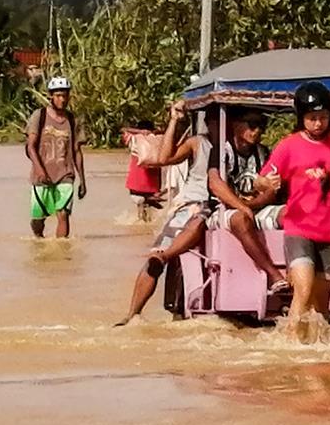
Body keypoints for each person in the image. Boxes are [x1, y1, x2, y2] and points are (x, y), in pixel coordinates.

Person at [257, 81, 330, 334]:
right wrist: (266, 182)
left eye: (323, 117)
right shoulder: (288, 146)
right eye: (312, 118)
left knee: (322, 307)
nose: (318, 123)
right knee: (304, 289)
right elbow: (261, 179)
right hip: (299, 229)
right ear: (302, 118)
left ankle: (316, 353)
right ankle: (292, 348)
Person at [115, 100, 213, 326]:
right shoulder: (197, 143)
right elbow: (163, 159)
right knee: (155, 258)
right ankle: (132, 315)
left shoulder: (250, 149)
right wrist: (173, 121)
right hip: (192, 204)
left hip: (219, 205)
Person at [206, 107, 288, 293]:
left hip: (255, 207)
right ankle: (273, 275)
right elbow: (215, 184)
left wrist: (251, 205)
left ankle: (298, 269)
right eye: (252, 125)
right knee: (240, 219)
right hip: (221, 211)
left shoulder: (263, 153)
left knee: (290, 213)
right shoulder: (221, 151)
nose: (257, 130)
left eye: (261, 125)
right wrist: (242, 207)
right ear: (235, 125)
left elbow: (271, 190)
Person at [26, 76, 86, 238]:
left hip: (65, 175)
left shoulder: (73, 120)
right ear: (51, 96)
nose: (62, 99)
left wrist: (82, 180)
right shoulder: (40, 116)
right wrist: (40, 170)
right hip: (42, 175)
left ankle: (62, 251)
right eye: (58, 95)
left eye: (65, 95)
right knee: (38, 219)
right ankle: (38, 240)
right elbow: (30, 147)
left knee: (63, 214)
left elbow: (76, 151)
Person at [122, 120, 164, 221]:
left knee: (139, 207)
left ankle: (141, 221)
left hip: (136, 179)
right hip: (151, 181)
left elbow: (123, 130)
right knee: (148, 210)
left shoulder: (133, 138)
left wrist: (139, 132)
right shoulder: (156, 139)